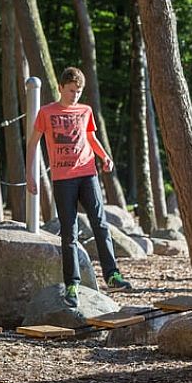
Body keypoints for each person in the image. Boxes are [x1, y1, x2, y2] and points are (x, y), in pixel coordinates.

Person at [26, 67, 132, 308]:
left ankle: (112, 274)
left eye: (79, 91)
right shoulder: (46, 112)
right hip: (63, 179)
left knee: (100, 223)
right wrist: (30, 176)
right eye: (71, 90)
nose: (75, 95)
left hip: (87, 173)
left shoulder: (85, 111)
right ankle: (72, 284)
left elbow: (90, 138)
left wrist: (105, 156)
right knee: (69, 232)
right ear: (61, 88)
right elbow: (32, 144)